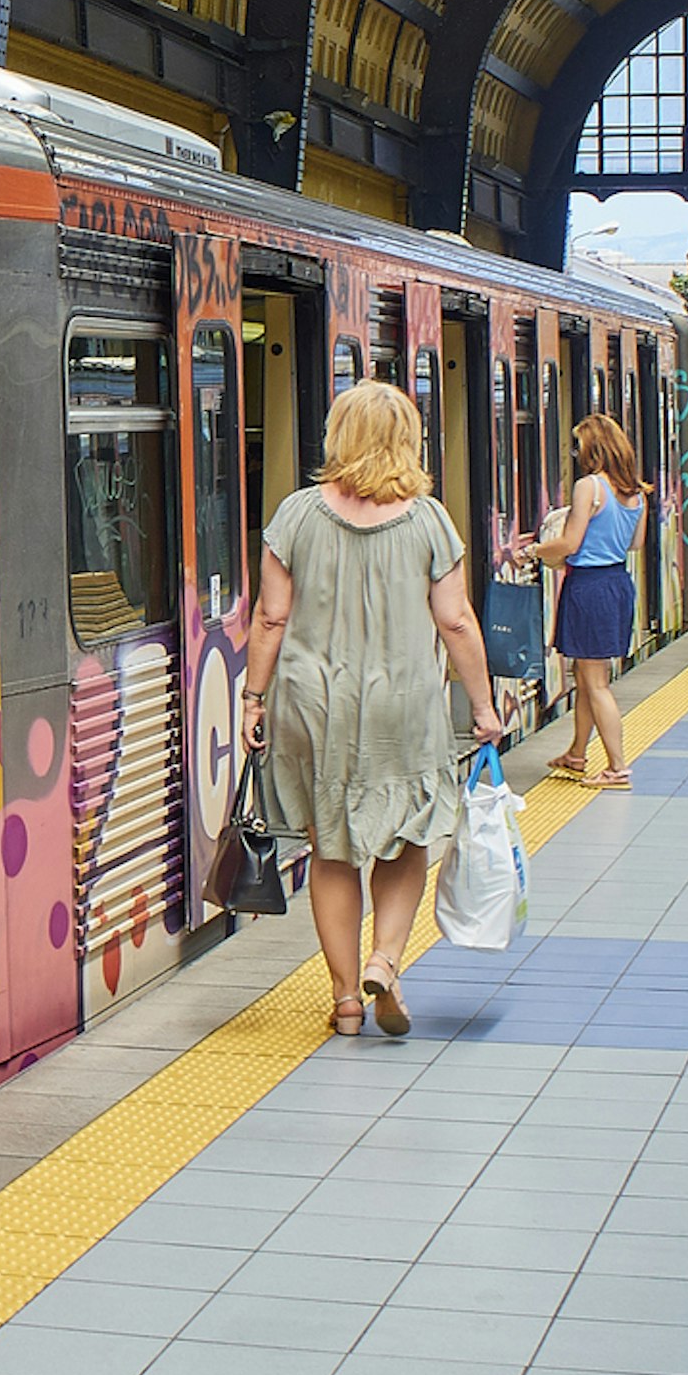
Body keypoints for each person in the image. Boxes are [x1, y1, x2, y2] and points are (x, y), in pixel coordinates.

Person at [237, 383, 504, 1039]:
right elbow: (457, 623)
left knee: (331, 849)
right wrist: (484, 705)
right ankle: (384, 959)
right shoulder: (429, 520)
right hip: (403, 704)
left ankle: (344, 1001)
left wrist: (251, 696)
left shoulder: (296, 515)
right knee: (406, 836)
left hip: (312, 703)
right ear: (406, 439)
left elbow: (271, 617)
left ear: (339, 436)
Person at [508, 413, 652, 788]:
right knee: (589, 676)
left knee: (595, 681)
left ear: (593, 447)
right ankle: (576, 753)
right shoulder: (636, 493)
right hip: (618, 582)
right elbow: (636, 544)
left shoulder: (589, 487)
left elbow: (570, 544)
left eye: (578, 444)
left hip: (588, 586)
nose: (575, 452)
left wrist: (535, 551)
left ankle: (617, 767)